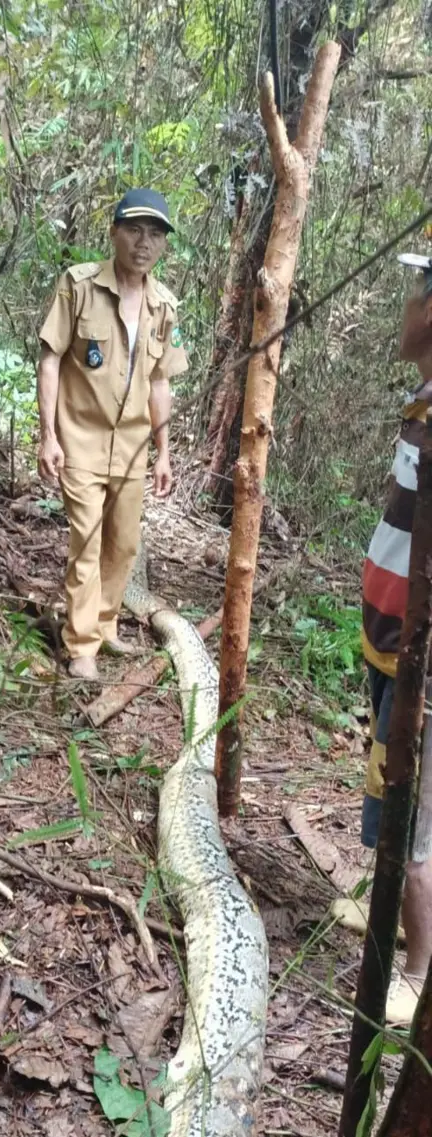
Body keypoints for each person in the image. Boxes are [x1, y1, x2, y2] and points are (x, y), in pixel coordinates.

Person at [36, 189, 188, 680]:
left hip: (133, 447)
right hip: (80, 436)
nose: (145, 243)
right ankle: (80, 646)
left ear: (164, 245)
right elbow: (50, 357)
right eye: (135, 230)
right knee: (86, 538)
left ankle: (102, 625)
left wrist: (164, 452)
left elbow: (160, 381)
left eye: (156, 234)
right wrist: (48, 435)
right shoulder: (79, 285)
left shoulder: (164, 306)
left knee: (123, 544)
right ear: (115, 232)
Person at [356, 251, 432, 1024]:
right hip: (389, 637)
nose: (406, 305)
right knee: (389, 790)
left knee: (410, 821)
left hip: (421, 660)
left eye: (416, 290)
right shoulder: (422, 399)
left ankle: (417, 963)